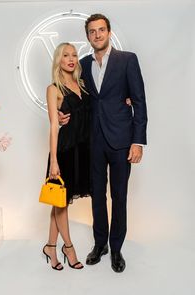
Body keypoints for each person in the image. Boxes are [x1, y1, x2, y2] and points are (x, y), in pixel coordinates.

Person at [59, 14, 148, 273]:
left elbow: (139, 101)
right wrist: (63, 115)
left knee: (119, 196)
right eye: (92, 32)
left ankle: (117, 247)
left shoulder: (127, 60)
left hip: (122, 141)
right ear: (88, 36)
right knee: (97, 196)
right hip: (93, 141)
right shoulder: (83, 64)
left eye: (101, 30)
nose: (97, 35)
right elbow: (76, 95)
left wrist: (138, 141)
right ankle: (100, 244)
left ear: (108, 32)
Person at [42, 42, 91, 270]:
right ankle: (68, 247)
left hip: (83, 149)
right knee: (61, 203)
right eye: (65, 55)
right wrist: (54, 161)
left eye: (74, 55)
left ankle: (50, 246)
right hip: (65, 151)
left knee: (59, 202)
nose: (71, 59)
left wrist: (126, 100)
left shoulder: (82, 84)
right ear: (58, 60)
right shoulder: (54, 89)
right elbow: (54, 125)